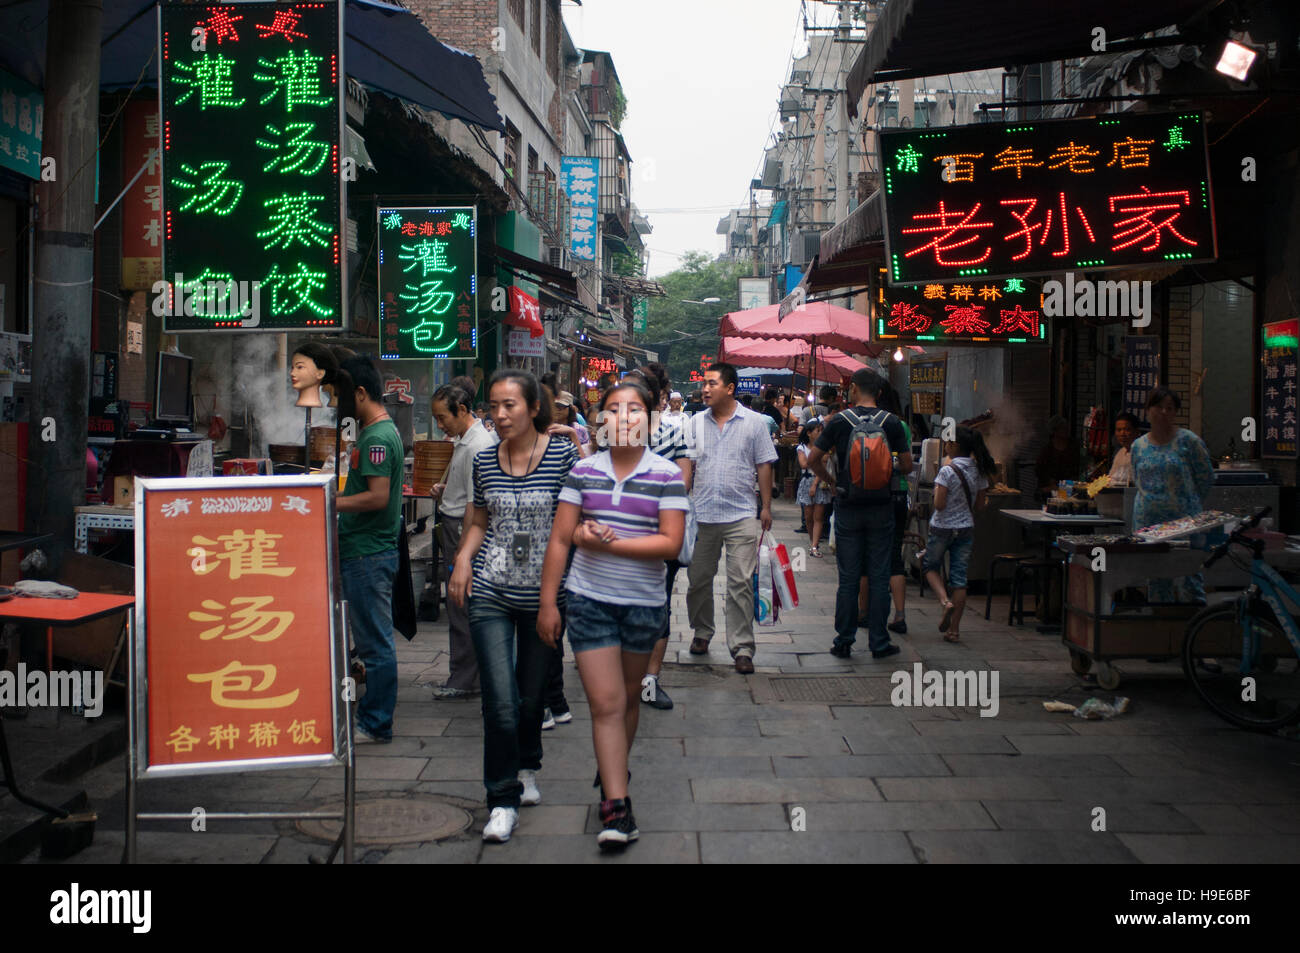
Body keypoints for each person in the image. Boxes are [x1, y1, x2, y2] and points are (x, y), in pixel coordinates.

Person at [539, 378, 687, 850]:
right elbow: (561, 538)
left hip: (644, 607)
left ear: (651, 419)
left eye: (634, 409)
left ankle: (614, 771)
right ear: (600, 420)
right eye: (614, 409)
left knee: (624, 701)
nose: (624, 417)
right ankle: (618, 809)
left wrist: (610, 541)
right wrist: (548, 603)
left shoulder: (667, 474)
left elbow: (670, 544)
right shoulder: (583, 473)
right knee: (605, 704)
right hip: (589, 601)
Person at [448, 369, 579, 843]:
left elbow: (575, 522)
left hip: (545, 597)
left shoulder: (563, 456)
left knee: (529, 700)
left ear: (533, 408)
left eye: (510, 406)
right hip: (491, 590)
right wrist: (463, 558)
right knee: (499, 703)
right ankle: (501, 800)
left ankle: (528, 766)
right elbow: (480, 519)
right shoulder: (484, 460)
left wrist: (553, 601)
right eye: (494, 406)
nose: (500, 415)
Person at [807, 369, 912, 659]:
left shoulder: (840, 421)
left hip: (848, 506)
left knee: (849, 577)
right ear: (879, 393)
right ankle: (879, 642)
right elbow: (907, 466)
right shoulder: (892, 423)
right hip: (882, 507)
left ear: (853, 389)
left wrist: (831, 482)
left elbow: (814, 459)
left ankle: (844, 641)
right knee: (879, 575)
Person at [683, 363, 776, 674]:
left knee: (739, 582)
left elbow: (764, 464)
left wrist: (766, 506)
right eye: (704, 383)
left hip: (741, 514)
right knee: (698, 580)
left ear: (730, 388)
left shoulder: (753, 423)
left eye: (712, 383)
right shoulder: (695, 422)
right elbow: (687, 465)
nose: (705, 389)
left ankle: (742, 647)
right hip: (703, 514)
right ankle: (702, 631)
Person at [336, 357, 405, 743]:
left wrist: (333, 501)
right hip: (366, 550)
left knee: (375, 643)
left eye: (342, 396)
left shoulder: (376, 437)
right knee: (372, 640)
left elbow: (377, 497)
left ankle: (376, 722)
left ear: (360, 393)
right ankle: (374, 718)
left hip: (367, 553)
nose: (338, 404)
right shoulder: (375, 432)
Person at [622, 365, 691, 712]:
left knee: (658, 604)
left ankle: (650, 679)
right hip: (616, 537)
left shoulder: (674, 433)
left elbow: (683, 483)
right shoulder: (610, 433)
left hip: (660, 535)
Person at [429, 383, 496, 700]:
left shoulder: (476, 446)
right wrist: (445, 490)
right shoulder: (466, 441)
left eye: (443, 418)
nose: (440, 425)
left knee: (461, 605)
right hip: (456, 523)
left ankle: (463, 679)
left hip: (461, 530)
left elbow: (474, 506)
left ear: (463, 411)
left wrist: (463, 556)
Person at [1131, 387, 1215, 603]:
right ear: (1148, 411)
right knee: (1157, 578)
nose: (1164, 413)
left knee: (1190, 578)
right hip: (1149, 522)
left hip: (1184, 523)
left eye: (1170, 408)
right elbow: (1138, 480)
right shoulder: (1138, 446)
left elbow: (1205, 478)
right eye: (1159, 407)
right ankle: (1162, 627)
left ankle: (1195, 627)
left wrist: (1188, 502)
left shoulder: (1189, 441)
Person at [923, 426, 997, 643]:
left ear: (954, 446)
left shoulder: (946, 470)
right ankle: (954, 631)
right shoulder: (979, 470)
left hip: (942, 528)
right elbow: (981, 505)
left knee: (929, 566)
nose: (945, 446)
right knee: (959, 580)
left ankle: (945, 602)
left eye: (947, 443)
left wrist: (938, 492)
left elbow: (939, 504)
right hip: (965, 529)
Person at [796, 419, 832, 557]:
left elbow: (822, 466)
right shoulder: (801, 447)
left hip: (820, 481)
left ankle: (814, 545)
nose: (820, 433)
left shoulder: (824, 448)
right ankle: (813, 542)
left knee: (818, 517)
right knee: (808, 517)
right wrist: (818, 460)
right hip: (806, 481)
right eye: (818, 430)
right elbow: (803, 464)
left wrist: (815, 483)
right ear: (809, 433)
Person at [1036, 415, 1082, 500]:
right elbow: (1040, 470)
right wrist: (1050, 482)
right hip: (1050, 488)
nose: (1066, 431)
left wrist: (1068, 484)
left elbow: (1076, 468)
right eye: (1062, 428)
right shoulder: (1047, 449)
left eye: (1066, 428)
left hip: (1068, 486)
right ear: (1055, 431)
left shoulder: (1073, 447)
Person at [1109, 412, 1140, 485]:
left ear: (1136, 432)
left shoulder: (1141, 453)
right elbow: (1111, 477)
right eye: (1119, 430)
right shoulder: (1120, 452)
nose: (1122, 434)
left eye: (1127, 429)